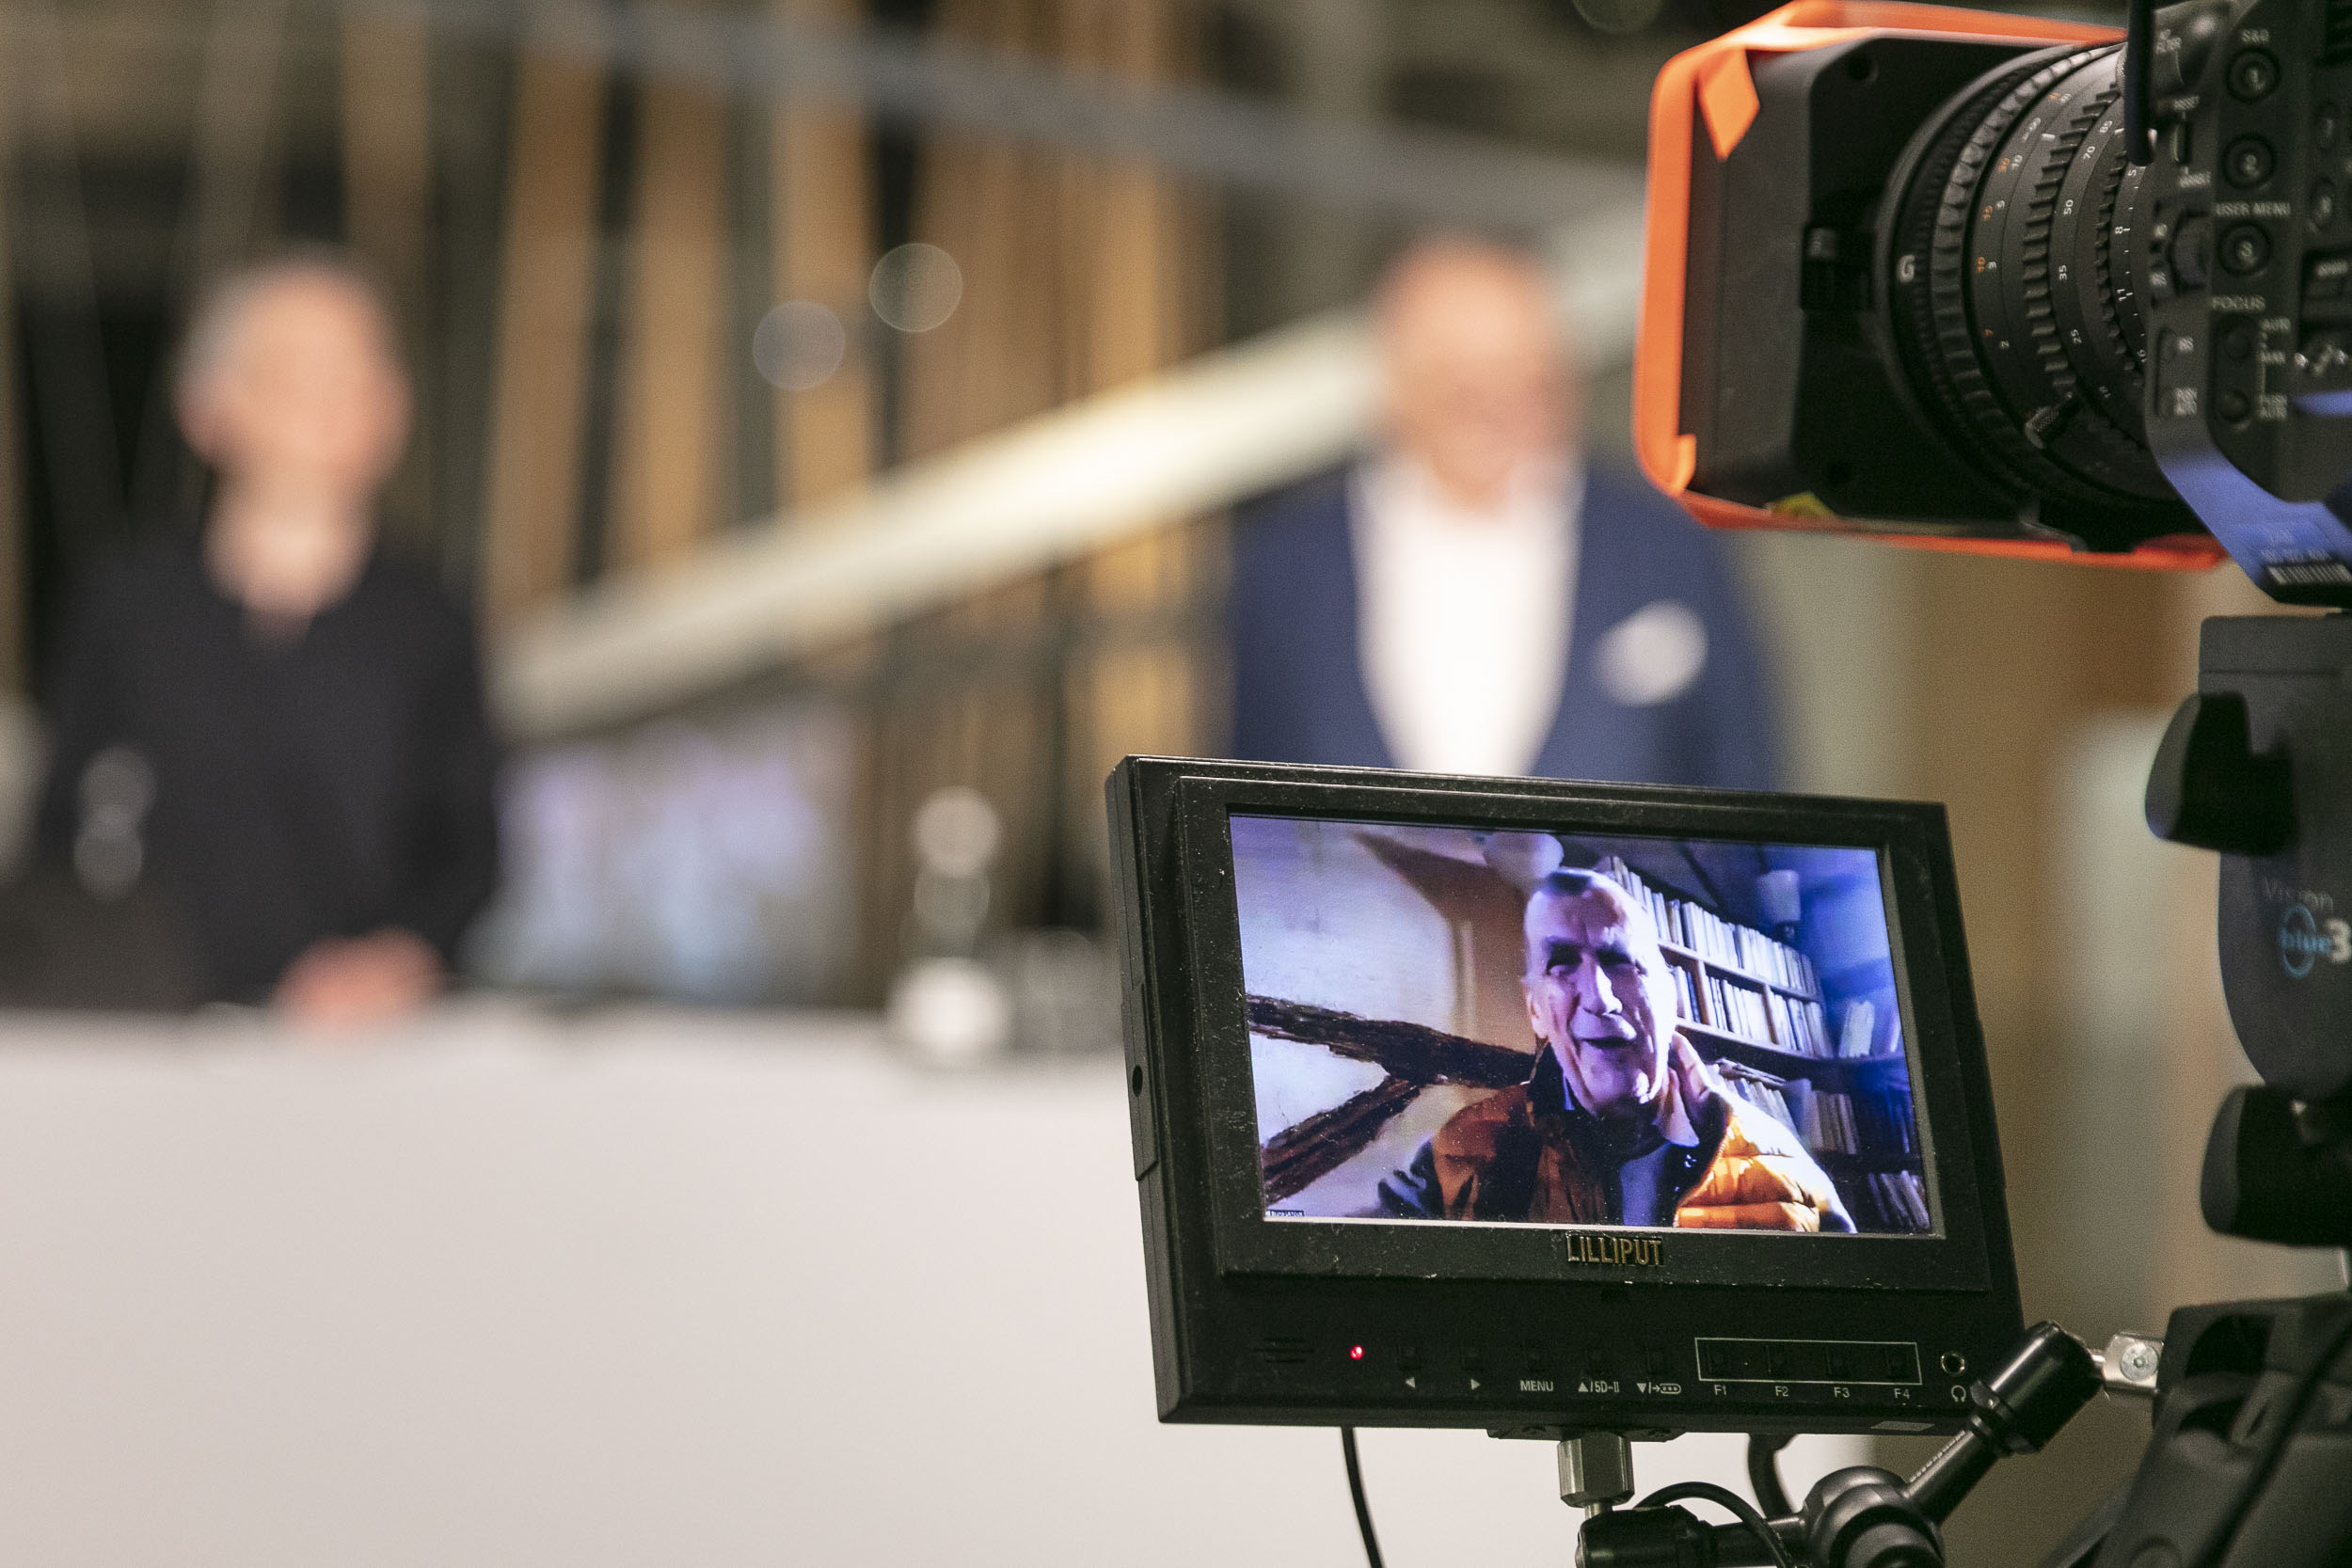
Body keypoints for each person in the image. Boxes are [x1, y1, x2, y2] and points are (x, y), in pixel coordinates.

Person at [31, 253, 498, 1025]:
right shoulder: (128, 605)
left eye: (357, 370)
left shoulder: (433, 620)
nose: (330, 400)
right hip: (146, 1043)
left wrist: (396, 961)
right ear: (208, 406)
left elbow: (470, 852)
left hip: (359, 1054)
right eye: (295, 372)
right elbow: (61, 831)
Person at [1230, 237, 1776, 787]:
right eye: (1455, 378)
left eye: (1522, 374)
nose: (1492, 406)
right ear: (1394, 381)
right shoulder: (1286, 563)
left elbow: (1750, 785)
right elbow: (1240, 794)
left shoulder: (1668, 546)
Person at [1375, 869, 1852, 1231]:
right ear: (1535, 1009)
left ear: (1671, 995)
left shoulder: (1781, 1167)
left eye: (1620, 960)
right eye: (1562, 964)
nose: (1600, 997)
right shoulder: (1457, 1153)